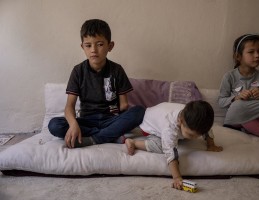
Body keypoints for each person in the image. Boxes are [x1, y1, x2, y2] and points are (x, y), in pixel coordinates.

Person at [48, 19, 145, 148]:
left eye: (99, 44)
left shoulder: (117, 70)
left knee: (139, 111)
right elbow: (69, 107)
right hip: (87, 121)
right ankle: (110, 135)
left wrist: (118, 118)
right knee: (55, 125)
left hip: (111, 120)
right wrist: (74, 125)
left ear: (110, 46)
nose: (93, 50)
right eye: (88, 45)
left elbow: (124, 105)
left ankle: (95, 138)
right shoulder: (78, 71)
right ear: (82, 47)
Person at [125, 101, 223, 190]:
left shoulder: (194, 117)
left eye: (198, 135)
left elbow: (207, 130)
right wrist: (177, 177)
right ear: (180, 121)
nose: (194, 138)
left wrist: (211, 145)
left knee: (188, 136)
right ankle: (134, 143)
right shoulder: (169, 127)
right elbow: (170, 153)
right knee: (162, 146)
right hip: (149, 126)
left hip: (160, 110)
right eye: (190, 134)